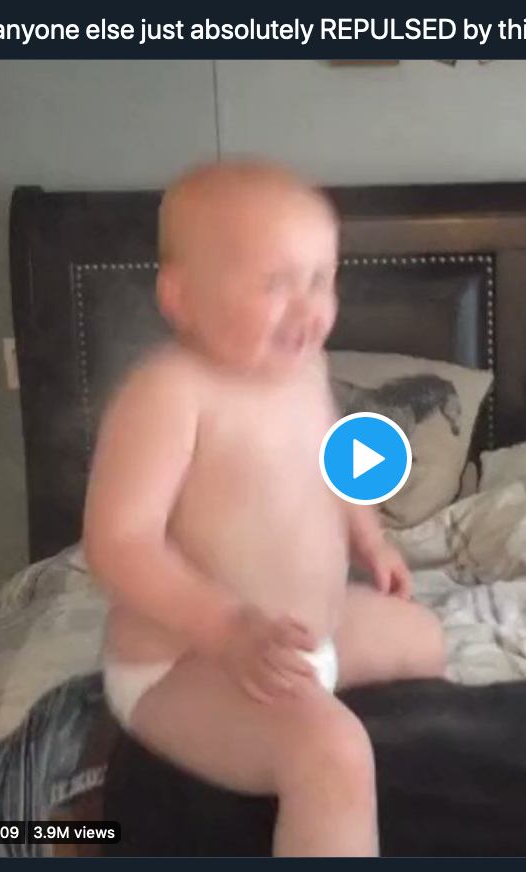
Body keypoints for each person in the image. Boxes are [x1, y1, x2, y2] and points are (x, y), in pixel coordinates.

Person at [83, 160, 446, 857]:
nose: (308, 309)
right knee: (333, 753)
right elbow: (119, 544)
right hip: (187, 665)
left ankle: (382, 788)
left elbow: (336, 463)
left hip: (304, 639)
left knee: (424, 638)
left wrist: (369, 539)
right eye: (275, 284)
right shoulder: (169, 393)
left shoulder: (306, 368)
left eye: (321, 279)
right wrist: (227, 628)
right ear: (181, 296)